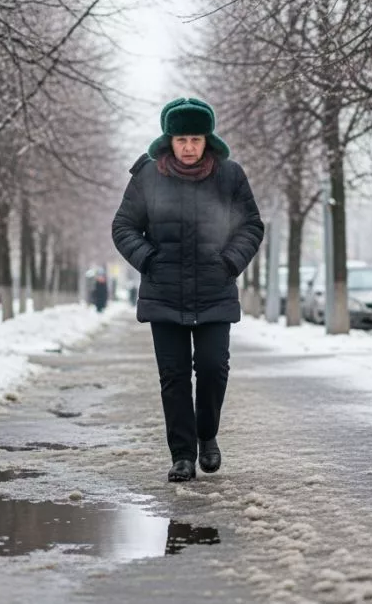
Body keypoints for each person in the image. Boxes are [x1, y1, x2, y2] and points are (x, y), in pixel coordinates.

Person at [111, 98, 264, 482]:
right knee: (174, 376)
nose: (189, 147)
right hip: (164, 293)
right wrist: (149, 259)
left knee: (213, 368)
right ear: (170, 139)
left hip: (215, 290)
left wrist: (229, 262)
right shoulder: (147, 176)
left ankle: (207, 434)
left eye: (196, 138)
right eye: (181, 139)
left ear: (207, 139)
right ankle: (182, 455)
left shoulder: (230, 175)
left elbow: (251, 226)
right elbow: (123, 227)